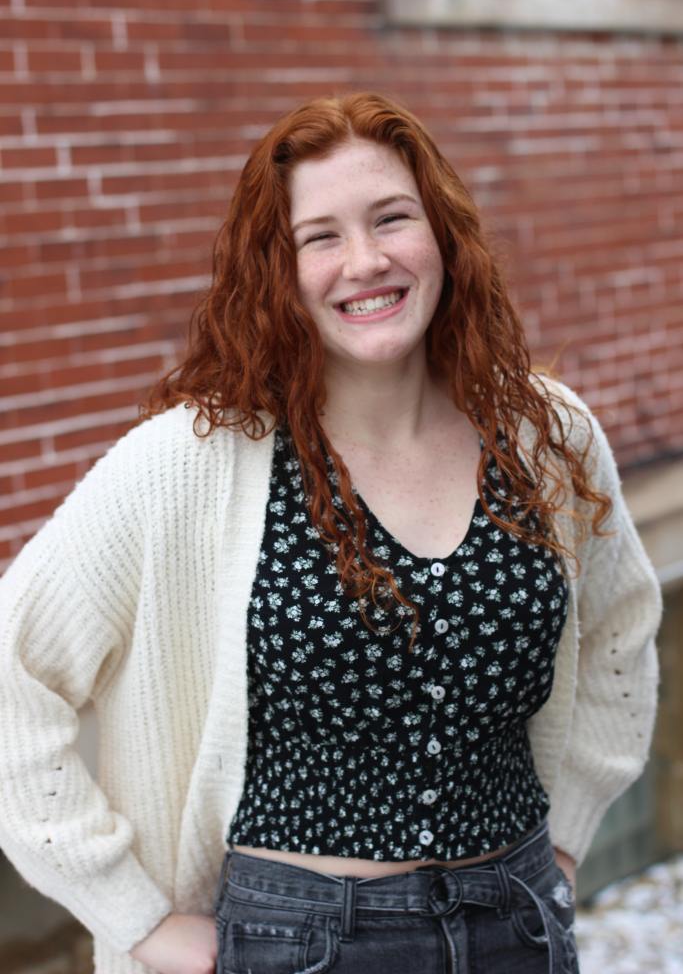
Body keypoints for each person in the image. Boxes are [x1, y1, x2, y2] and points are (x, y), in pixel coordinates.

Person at [0, 91, 661, 974]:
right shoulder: (192, 461)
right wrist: (137, 917)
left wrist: (567, 836)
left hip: (516, 925)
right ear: (276, 270)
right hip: (300, 941)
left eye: (392, 219)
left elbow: (620, 629)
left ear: (443, 235)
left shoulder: (546, 434)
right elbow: (14, 671)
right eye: (320, 237)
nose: (365, 261)